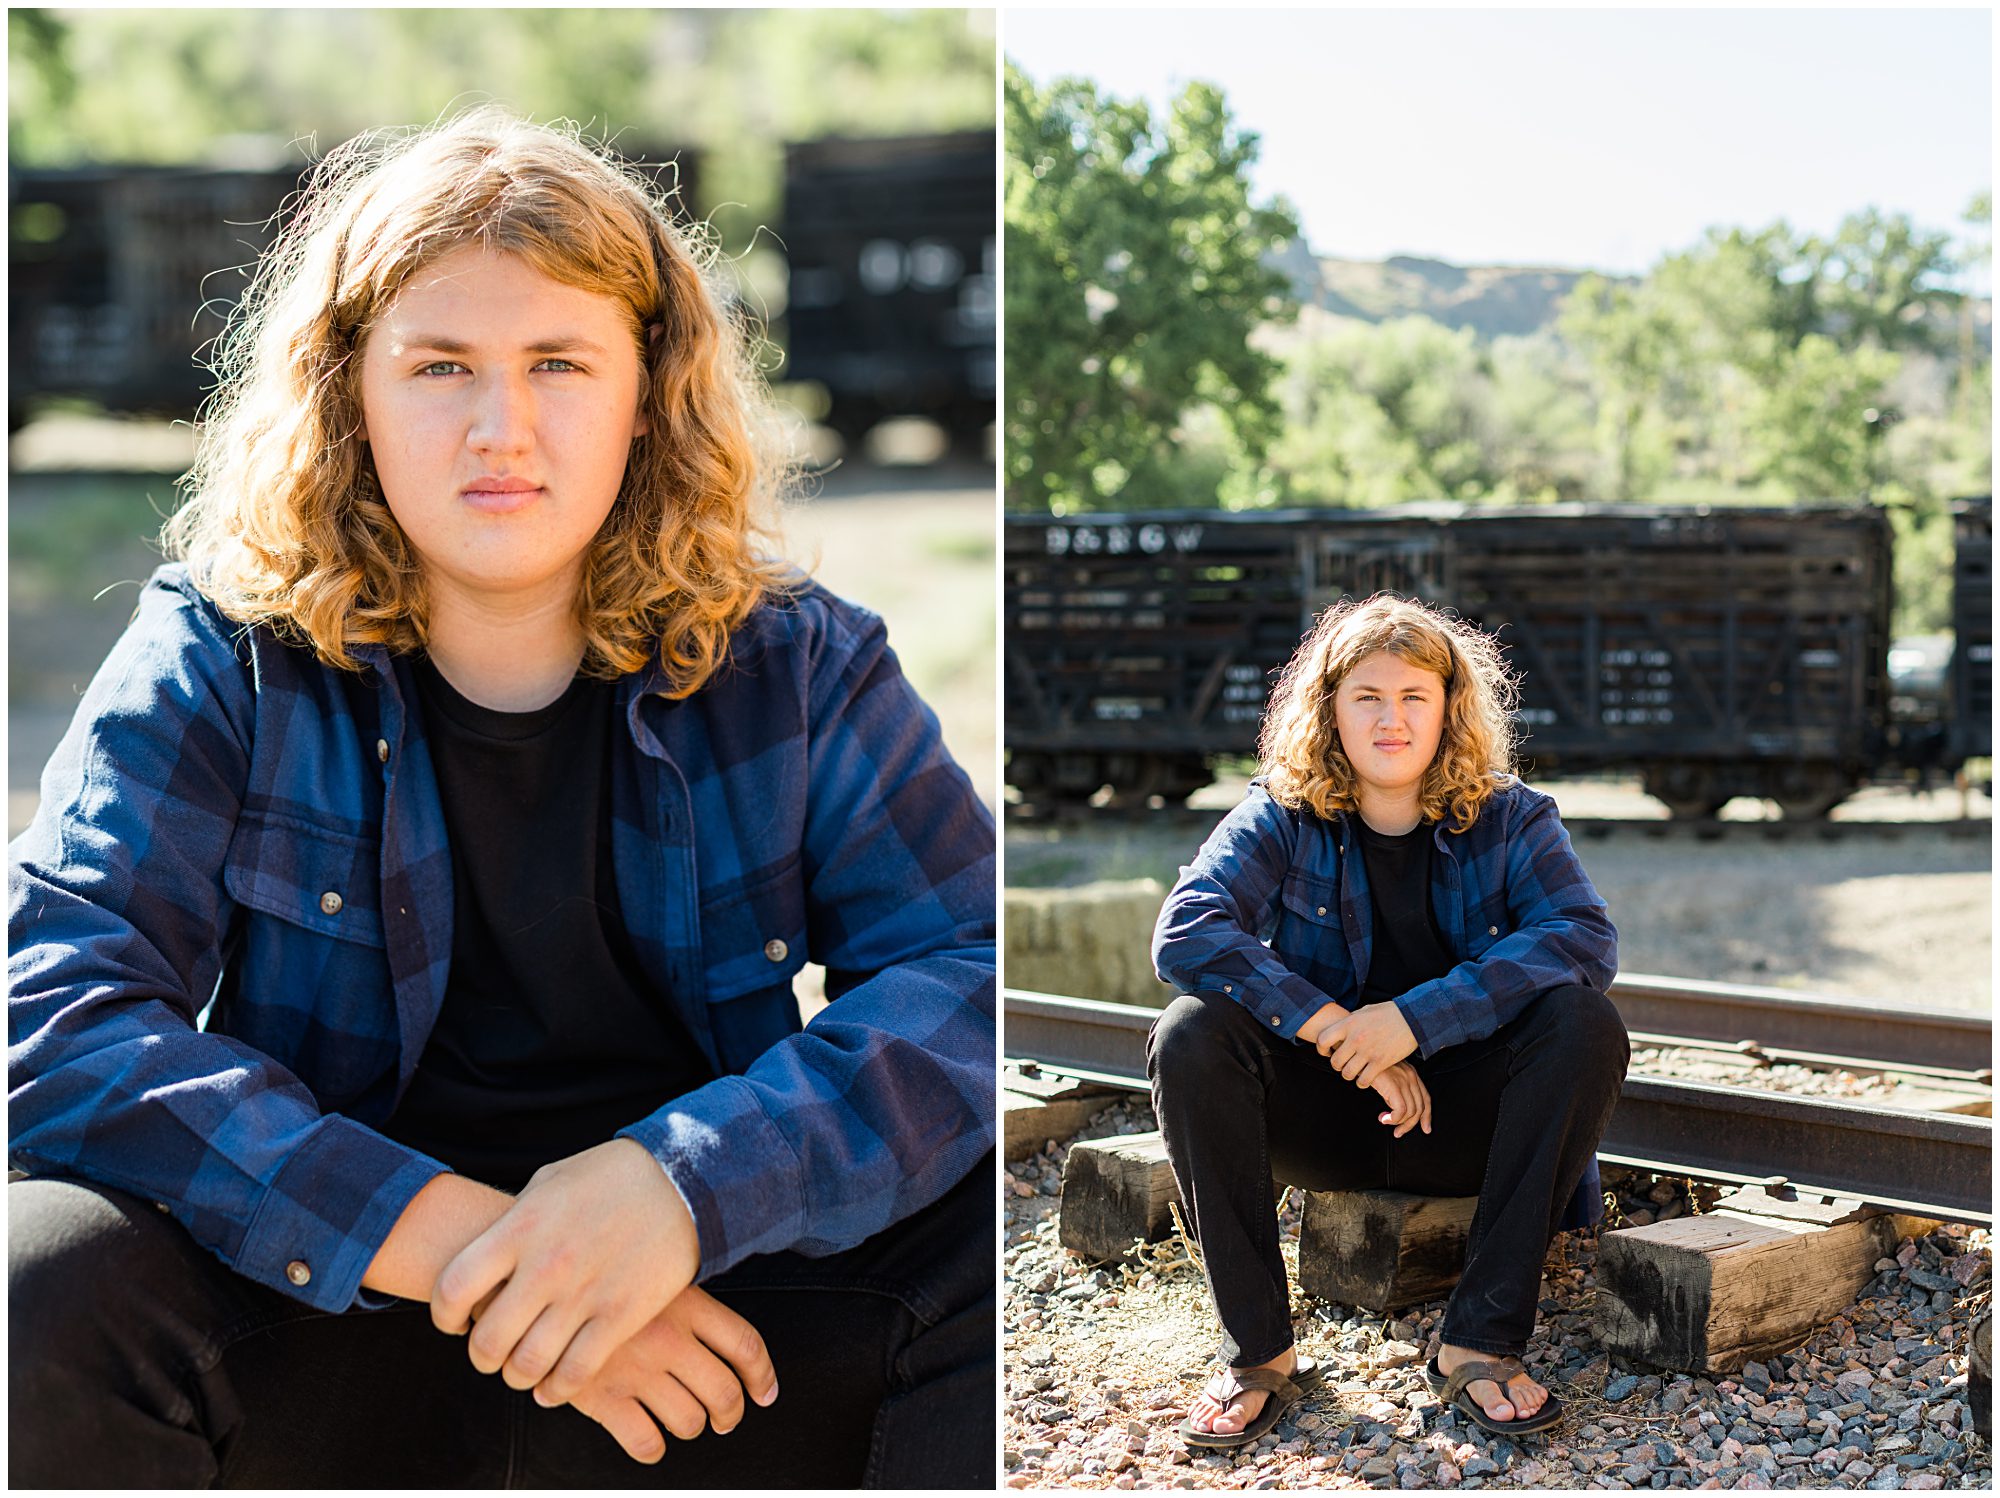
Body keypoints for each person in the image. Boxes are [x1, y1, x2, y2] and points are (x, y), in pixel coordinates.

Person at [8, 107, 996, 1489]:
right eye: (440, 365)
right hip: (344, 1310)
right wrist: (483, 1250)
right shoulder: (219, 657)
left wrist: (682, 1185)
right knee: (36, 1282)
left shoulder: (799, 664)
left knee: (971, 1239)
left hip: (707, 1332)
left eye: (557, 361)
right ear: (351, 388)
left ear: (644, 391)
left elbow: (970, 968)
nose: (501, 426)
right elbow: (54, 1017)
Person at [1147, 592, 1628, 1445]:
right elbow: (1188, 928)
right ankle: (1257, 1354)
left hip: (1465, 1126)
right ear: (1330, 708)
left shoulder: (1512, 816)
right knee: (1190, 1030)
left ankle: (1481, 1343)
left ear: (1450, 708)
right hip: (1326, 1121)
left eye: (1414, 698)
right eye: (1367, 697)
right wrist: (1346, 1033)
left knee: (1584, 1023)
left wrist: (1411, 1022)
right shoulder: (1283, 814)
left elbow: (1583, 937)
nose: (1391, 719)